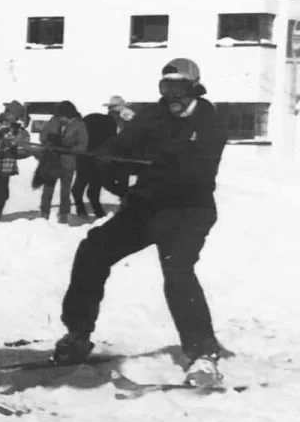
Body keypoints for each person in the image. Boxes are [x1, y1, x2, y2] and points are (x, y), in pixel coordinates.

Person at [53, 57, 229, 387]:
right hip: (147, 207)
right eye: (166, 88)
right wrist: (106, 161)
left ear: (194, 88)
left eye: (179, 89)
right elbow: (123, 144)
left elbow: (198, 171)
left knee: (177, 268)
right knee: (94, 250)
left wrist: (157, 164)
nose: (172, 97)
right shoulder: (154, 115)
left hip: (188, 210)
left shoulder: (210, 121)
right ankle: (77, 333)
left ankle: (203, 353)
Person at [33, 100, 87, 224]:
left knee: (65, 191)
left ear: (70, 114)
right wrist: (50, 140)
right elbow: (42, 137)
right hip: (51, 161)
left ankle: (63, 215)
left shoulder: (79, 125)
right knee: (48, 188)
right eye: (59, 116)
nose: (60, 118)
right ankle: (44, 214)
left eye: (63, 116)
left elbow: (83, 146)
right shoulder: (54, 120)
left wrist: (67, 147)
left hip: (68, 162)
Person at [72, 96, 125, 219]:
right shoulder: (111, 123)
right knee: (93, 185)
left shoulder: (94, 118)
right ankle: (94, 211)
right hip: (97, 157)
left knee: (86, 182)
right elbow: (111, 142)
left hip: (88, 156)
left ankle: (90, 211)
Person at [0, 100, 32, 222]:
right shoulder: (2, 126)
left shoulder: (6, 125)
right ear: (9, 114)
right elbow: (10, 144)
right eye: (16, 117)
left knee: (2, 194)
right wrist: (19, 137)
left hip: (2, 167)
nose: (17, 120)